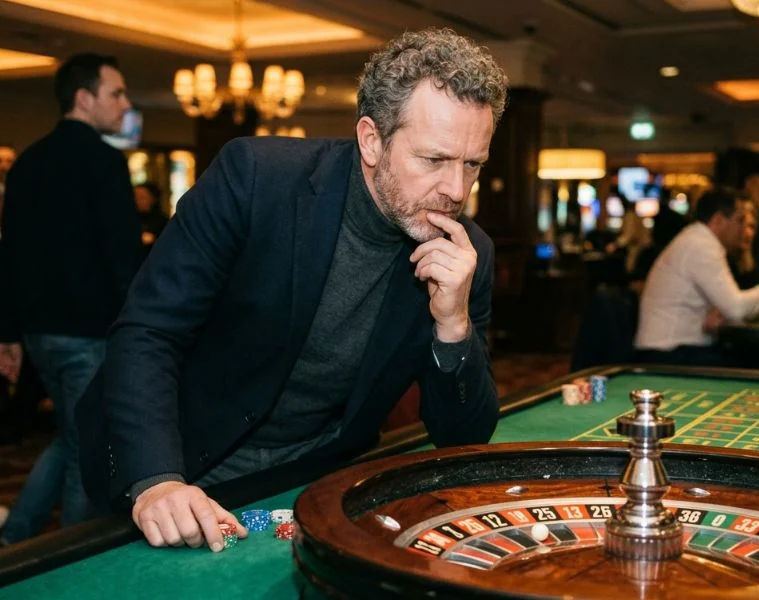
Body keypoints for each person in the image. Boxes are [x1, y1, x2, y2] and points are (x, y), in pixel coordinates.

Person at [77, 28, 505, 553]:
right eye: (434, 160)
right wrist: (157, 480)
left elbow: (463, 440)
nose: (457, 190)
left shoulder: (468, 253)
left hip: (317, 480)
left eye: (473, 164)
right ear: (371, 140)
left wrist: (453, 325)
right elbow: (148, 331)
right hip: (188, 460)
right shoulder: (255, 177)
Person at [0, 53, 142, 544]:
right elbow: (122, 256)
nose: (125, 105)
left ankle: (16, 536)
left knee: (70, 434)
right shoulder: (104, 162)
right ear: (84, 98)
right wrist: (140, 326)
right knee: (88, 443)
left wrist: (8, 333)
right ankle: (72, 553)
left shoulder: (26, 163)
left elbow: (8, 254)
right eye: (116, 93)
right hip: (88, 330)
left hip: (40, 330)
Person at [634, 188, 759, 367]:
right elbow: (737, 309)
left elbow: (728, 309)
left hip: (678, 350)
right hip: (669, 355)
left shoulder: (697, 240)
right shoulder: (701, 246)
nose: (743, 228)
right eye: (739, 220)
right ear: (719, 220)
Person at [134, 182, 169, 255]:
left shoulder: (162, 221)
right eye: (135, 197)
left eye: (142, 197)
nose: (137, 201)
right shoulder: (130, 219)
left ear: (153, 199)